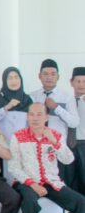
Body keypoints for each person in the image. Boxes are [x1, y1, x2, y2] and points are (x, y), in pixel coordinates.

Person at [9, 103, 85, 213]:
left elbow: (68, 159)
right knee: (29, 202)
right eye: (32, 114)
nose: (35, 118)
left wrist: (54, 142)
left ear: (46, 117)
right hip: (27, 182)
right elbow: (14, 167)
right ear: (27, 117)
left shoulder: (55, 135)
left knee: (80, 202)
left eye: (39, 114)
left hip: (51, 182)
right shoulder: (18, 136)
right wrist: (32, 184)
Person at [30, 59, 80, 187]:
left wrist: (57, 108)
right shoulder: (32, 97)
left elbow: (74, 123)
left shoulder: (67, 97)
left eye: (53, 74)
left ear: (58, 77)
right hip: (36, 149)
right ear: (39, 76)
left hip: (57, 149)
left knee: (60, 186)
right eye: (45, 74)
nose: (49, 77)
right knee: (39, 186)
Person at [0, 67, 33, 143]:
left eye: (16, 77)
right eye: (10, 78)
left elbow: (33, 123)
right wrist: (6, 108)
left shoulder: (28, 99)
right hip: (2, 144)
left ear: (20, 79)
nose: (14, 81)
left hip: (23, 144)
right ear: (4, 81)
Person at [69, 67, 85, 201]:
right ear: (71, 82)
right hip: (69, 145)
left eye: (84, 81)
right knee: (70, 182)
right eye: (78, 81)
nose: (81, 85)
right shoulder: (67, 100)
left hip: (83, 145)